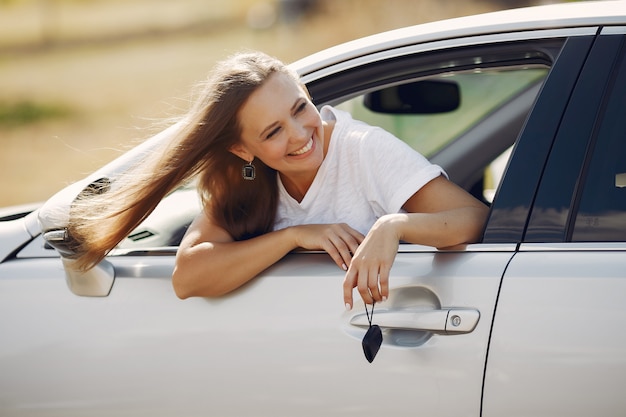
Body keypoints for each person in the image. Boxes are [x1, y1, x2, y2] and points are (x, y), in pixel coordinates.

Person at [68, 51, 488, 310]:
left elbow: (475, 217)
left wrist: (395, 226)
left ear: (306, 93)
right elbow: (188, 278)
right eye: (272, 132)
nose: (301, 135)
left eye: (300, 108)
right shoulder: (246, 179)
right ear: (242, 150)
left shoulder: (363, 148)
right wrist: (295, 236)